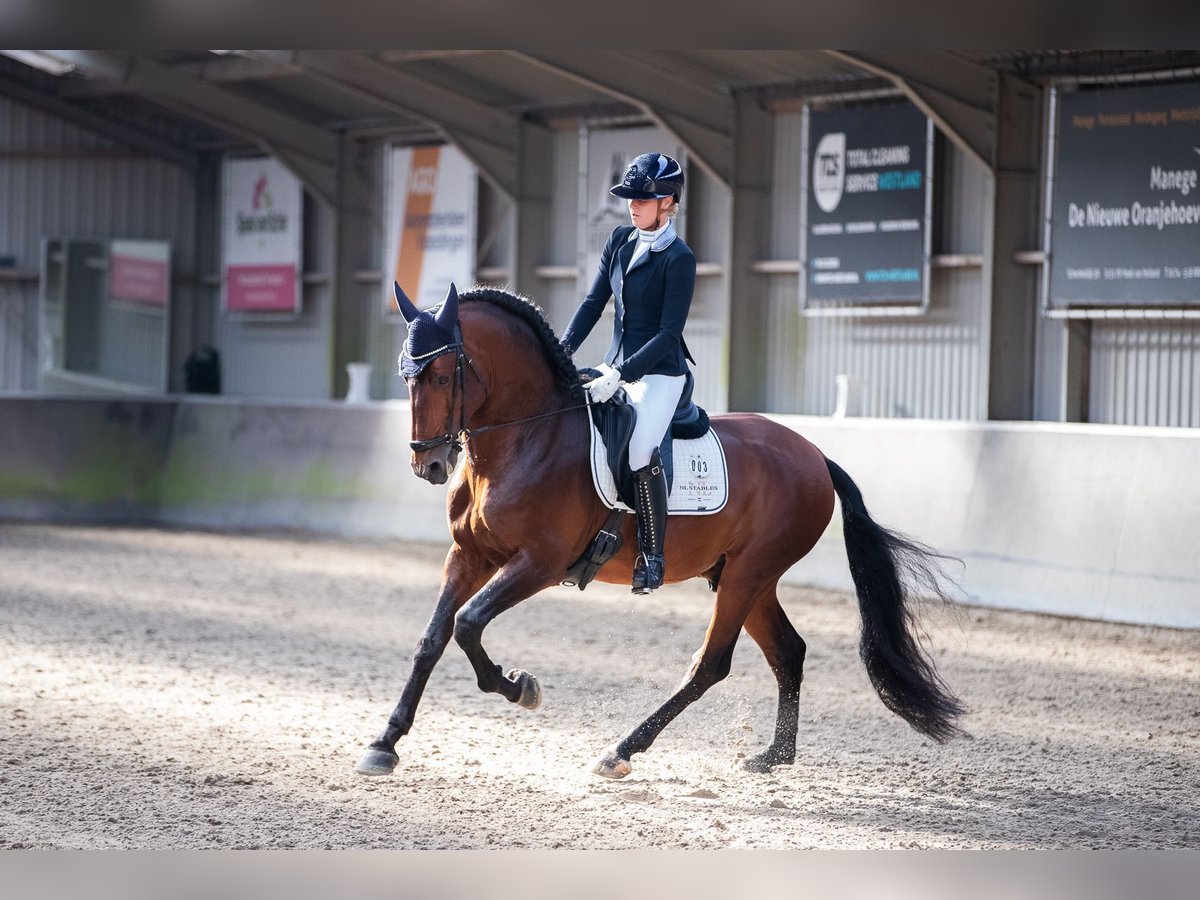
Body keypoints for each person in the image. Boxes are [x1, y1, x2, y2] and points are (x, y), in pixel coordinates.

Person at [561, 151, 697, 595]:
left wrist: (619, 375)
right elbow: (592, 304)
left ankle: (653, 556)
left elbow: (668, 333)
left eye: (644, 198)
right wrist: (561, 350)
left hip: (659, 372)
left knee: (640, 450)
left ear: (668, 202)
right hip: (615, 363)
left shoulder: (679, 258)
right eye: (630, 198)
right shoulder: (619, 240)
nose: (634, 205)